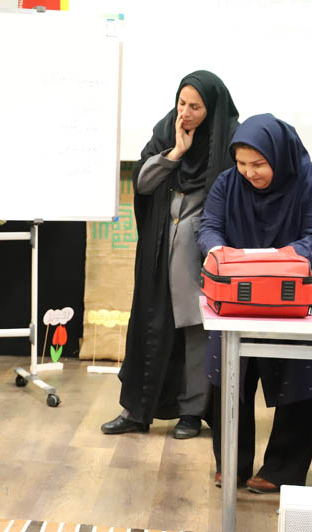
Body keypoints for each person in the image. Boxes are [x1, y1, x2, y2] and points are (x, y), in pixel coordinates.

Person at [197, 113, 312, 493]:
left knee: (301, 380)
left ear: (279, 155)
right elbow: (210, 226)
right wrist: (216, 250)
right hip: (236, 296)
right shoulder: (227, 183)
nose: (249, 173)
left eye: (258, 164)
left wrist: (273, 263)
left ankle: (282, 471)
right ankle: (232, 464)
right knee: (231, 378)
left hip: (295, 297)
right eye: (242, 163)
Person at [101, 71, 239, 439]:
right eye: (182, 103)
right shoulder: (166, 131)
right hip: (159, 251)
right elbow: (143, 183)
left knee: (197, 333)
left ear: (212, 110)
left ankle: (192, 413)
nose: (185, 113)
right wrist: (176, 153)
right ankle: (137, 411)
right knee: (150, 326)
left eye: (195, 107)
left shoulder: (229, 141)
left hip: (200, 258)